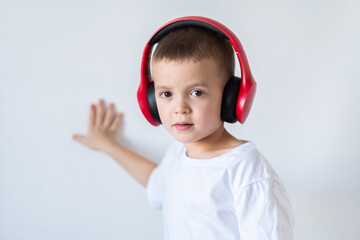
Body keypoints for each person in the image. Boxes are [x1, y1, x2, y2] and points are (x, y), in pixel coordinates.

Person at [73, 17, 295, 240]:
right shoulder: (178, 154)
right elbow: (156, 181)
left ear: (231, 97)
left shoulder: (247, 171)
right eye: (166, 94)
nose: (180, 108)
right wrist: (108, 145)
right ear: (151, 99)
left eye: (197, 92)